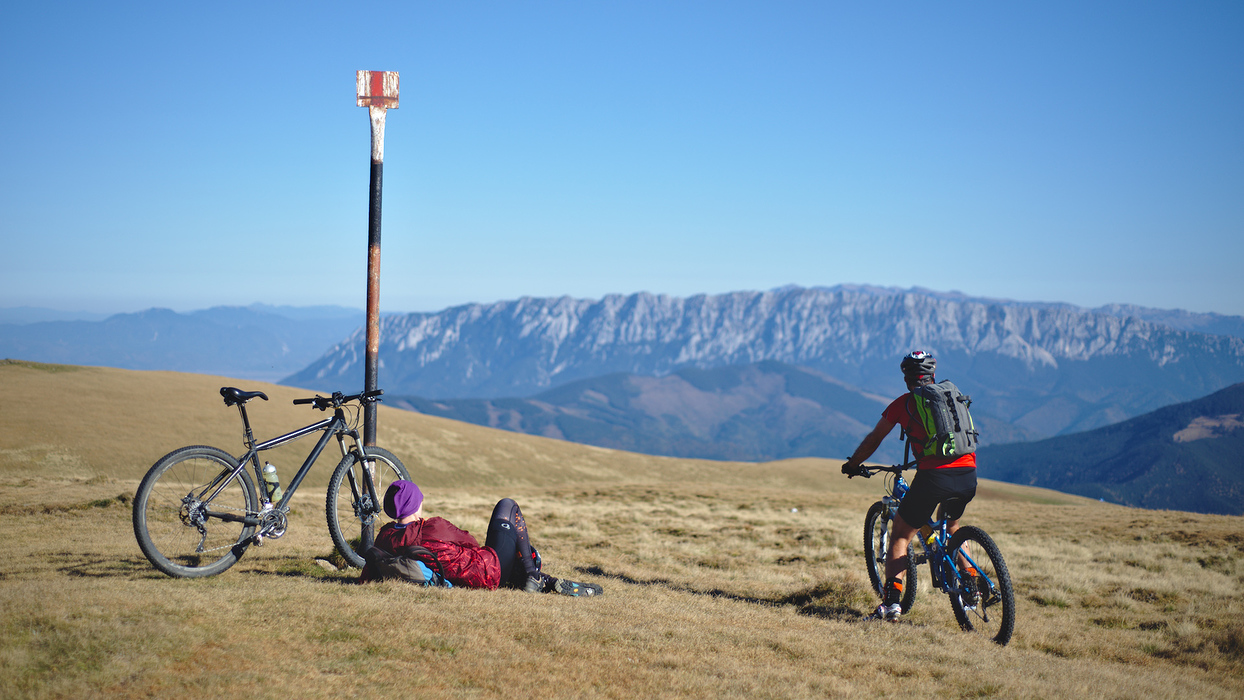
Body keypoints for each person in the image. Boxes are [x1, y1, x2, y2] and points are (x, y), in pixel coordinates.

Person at [840, 350, 978, 621]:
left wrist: (853, 464)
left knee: (901, 534)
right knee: (951, 527)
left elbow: (874, 439)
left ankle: (891, 603)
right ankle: (973, 586)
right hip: (968, 472)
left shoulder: (903, 404)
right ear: (933, 374)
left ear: (906, 378)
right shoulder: (951, 397)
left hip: (934, 477)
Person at [359, 480, 603, 596]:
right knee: (507, 506)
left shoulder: (384, 536)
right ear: (415, 504)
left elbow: (369, 572)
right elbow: (471, 542)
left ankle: (534, 573)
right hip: (489, 571)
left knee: (518, 552)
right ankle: (533, 575)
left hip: (461, 580)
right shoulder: (432, 527)